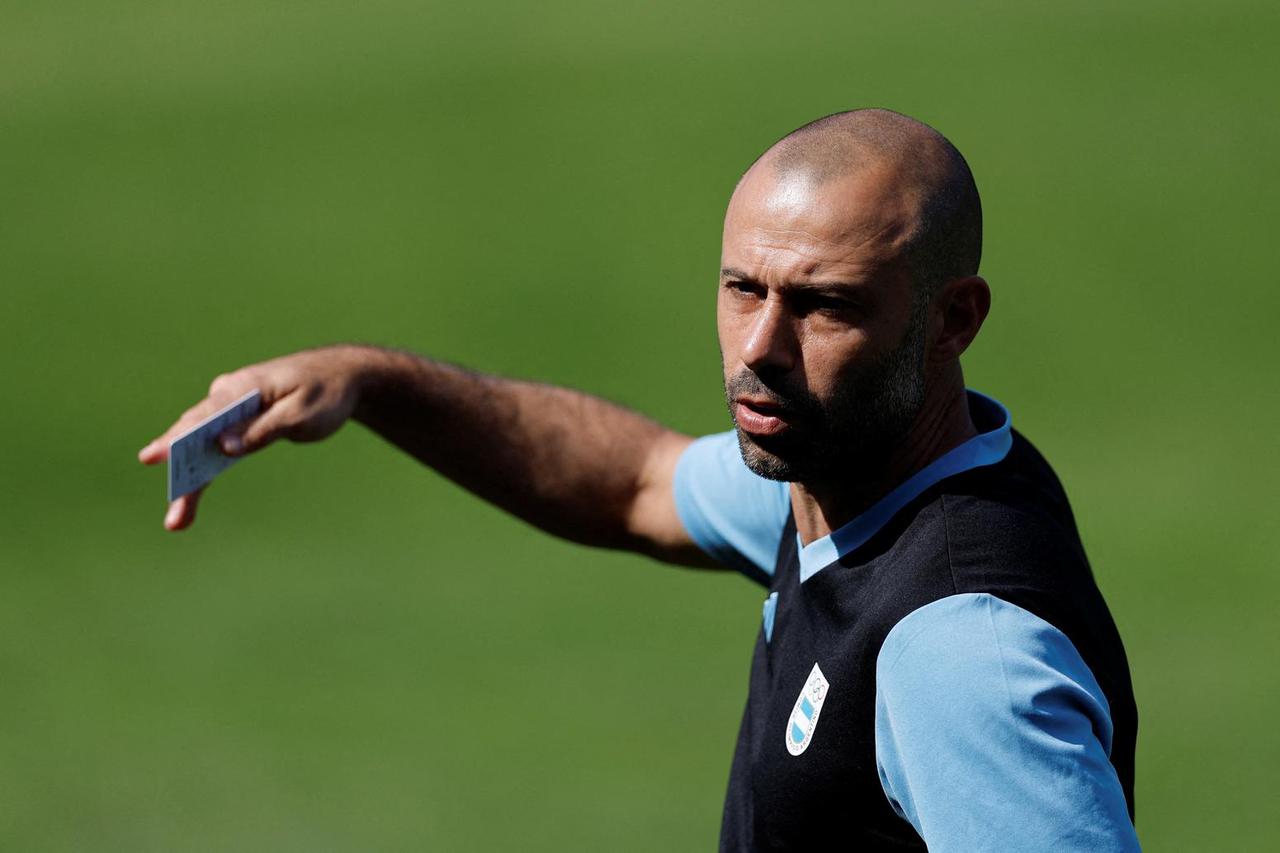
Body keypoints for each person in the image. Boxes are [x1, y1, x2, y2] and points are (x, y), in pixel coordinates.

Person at [138, 108, 1140, 851]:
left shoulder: (960, 657)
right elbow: (638, 481)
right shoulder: (854, 474)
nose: (758, 347)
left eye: (823, 307)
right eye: (741, 287)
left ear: (953, 318)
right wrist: (371, 382)